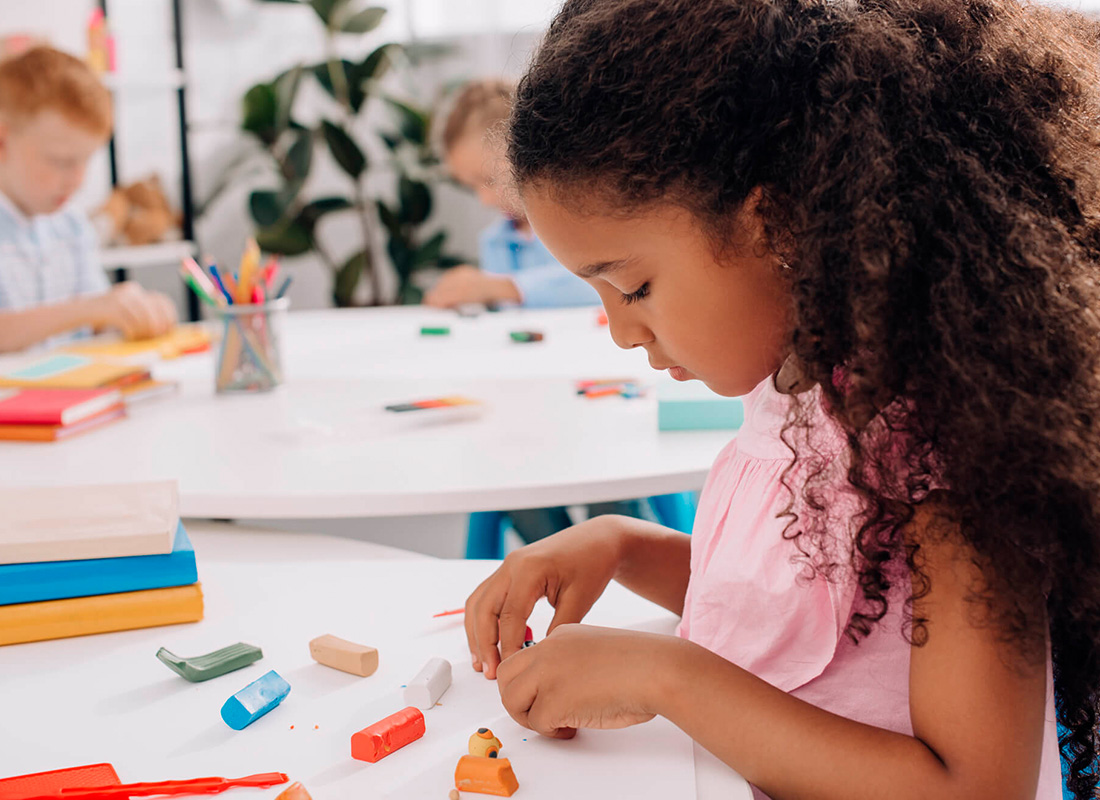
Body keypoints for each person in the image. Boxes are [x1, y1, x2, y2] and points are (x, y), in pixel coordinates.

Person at [463, 1, 1100, 797]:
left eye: (634, 287)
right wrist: (623, 546)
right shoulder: (794, 393)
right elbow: (808, 609)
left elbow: (970, 786)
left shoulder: (948, 455)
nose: (622, 334)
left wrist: (666, 678)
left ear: (777, 223)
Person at [0, 46, 176, 353]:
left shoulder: (71, 225)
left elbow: (97, 319)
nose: (76, 180)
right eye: (62, 162)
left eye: (85, 161)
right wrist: (86, 310)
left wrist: (133, 312)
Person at [426, 79, 599, 310]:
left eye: (489, 180)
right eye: (471, 187)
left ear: (529, 152)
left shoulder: (582, 222)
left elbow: (602, 286)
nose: (484, 200)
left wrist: (503, 287)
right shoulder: (495, 242)